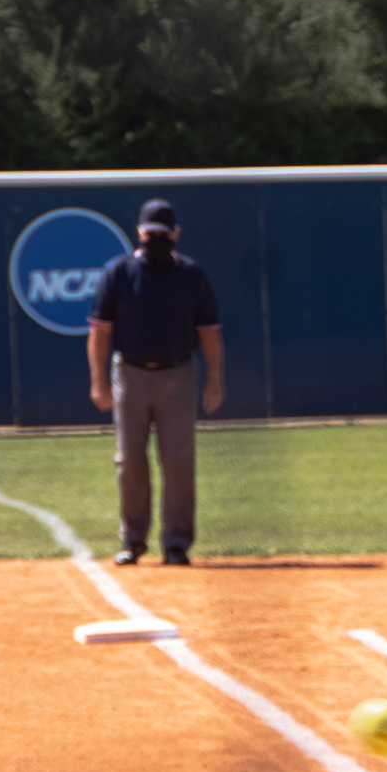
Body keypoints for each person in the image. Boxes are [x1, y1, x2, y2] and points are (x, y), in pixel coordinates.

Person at [86, 198, 224, 566]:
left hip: (178, 374)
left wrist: (216, 379)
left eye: (163, 233)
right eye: (151, 232)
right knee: (130, 460)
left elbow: (208, 331)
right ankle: (133, 540)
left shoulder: (191, 275)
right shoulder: (119, 272)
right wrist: (99, 381)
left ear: (176, 234)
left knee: (177, 461)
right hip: (130, 374)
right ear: (139, 232)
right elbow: (100, 332)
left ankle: (177, 543)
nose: (156, 238)